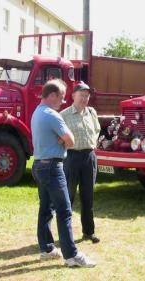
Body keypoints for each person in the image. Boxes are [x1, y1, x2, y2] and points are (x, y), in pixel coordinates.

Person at [31, 79, 96, 267]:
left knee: (46, 208)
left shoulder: (37, 112)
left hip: (39, 165)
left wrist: (62, 139)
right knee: (64, 210)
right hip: (52, 167)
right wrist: (63, 139)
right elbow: (71, 141)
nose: (63, 101)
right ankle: (71, 255)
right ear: (51, 95)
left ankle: (47, 248)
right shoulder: (53, 115)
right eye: (61, 97)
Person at [61, 82, 101, 244]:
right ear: (73, 96)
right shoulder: (64, 115)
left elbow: (97, 130)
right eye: (81, 95)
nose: (84, 98)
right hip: (71, 158)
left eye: (87, 95)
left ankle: (89, 232)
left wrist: (92, 144)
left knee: (88, 196)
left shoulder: (91, 113)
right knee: (68, 196)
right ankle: (66, 234)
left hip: (89, 157)